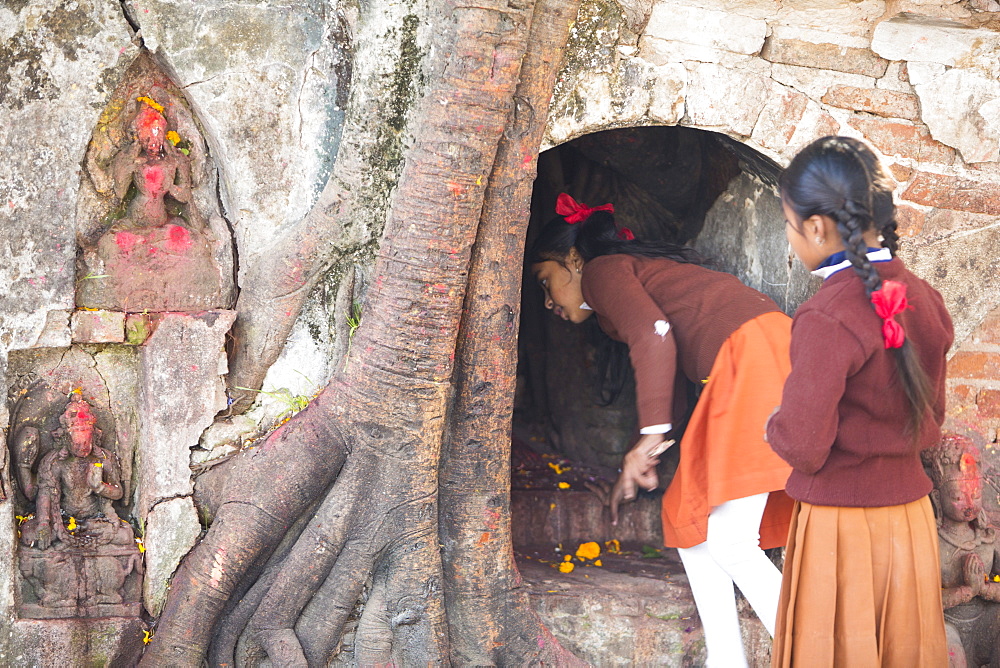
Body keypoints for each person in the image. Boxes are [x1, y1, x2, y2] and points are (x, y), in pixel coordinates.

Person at [530, 193, 795, 667]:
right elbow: (664, 357)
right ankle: (726, 660)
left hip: (752, 357)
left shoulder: (602, 270)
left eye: (546, 281)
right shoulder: (615, 287)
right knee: (688, 525)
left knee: (732, 541)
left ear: (573, 258)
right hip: (755, 358)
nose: (548, 301)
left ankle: (811, 655)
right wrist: (646, 449)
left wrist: (649, 440)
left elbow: (653, 332)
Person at [766, 136, 952, 666]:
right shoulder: (925, 298)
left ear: (818, 228)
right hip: (909, 521)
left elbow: (803, 444)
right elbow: (931, 416)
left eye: (788, 224)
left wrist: (773, 426)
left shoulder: (828, 315)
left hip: (840, 524)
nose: (790, 235)